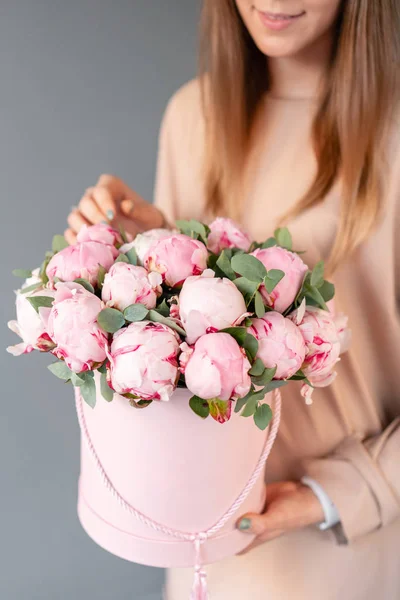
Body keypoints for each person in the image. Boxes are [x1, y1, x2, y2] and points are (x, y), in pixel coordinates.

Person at [66, 1, 400, 598]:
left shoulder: (393, 134)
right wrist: (151, 239)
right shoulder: (192, 115)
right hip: (204, 549)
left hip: (347, 549)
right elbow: (198, 352)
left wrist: (336, 494)